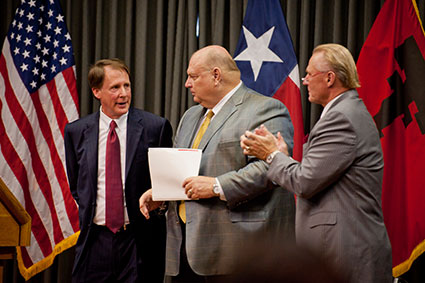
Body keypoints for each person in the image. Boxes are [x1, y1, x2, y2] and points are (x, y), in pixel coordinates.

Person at [139, 45, 295, 282]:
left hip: (234, 253)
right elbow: (185, 170)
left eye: (193, 76)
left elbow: (269, 168)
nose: (187, 84)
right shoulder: (191, 115)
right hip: (184, 249)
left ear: (216, 75)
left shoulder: (265, 109)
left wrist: (215, 186)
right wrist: (162, 192)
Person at [240, 43, 393, 282]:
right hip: (344, 246)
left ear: (330, 78)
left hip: (344, 251)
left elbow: (305, 183)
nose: (304, 80)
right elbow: (317, 175)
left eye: (310, 74)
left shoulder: (341, 118)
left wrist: (271, 155)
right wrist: (283, 156)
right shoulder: (345, 111)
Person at [64, 58, 173, 282]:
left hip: (138, 241)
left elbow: (166, 184)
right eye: (115, 88)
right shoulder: (76, 132)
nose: (124, 94)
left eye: (127, 86)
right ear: (96, 92)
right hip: (94, 241)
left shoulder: (155, 127)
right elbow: (77, 186)